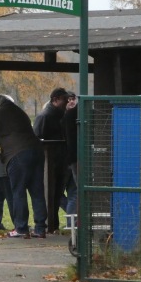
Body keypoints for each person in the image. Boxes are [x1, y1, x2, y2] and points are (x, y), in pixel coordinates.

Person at [0, 93, 47, 238]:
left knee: (18, 191)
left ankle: (21, 228)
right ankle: (40, 228)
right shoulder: (20, 111)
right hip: (37, 151)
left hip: (17, 155)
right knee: (37, 191)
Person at [33, 87, 70, 230]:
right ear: (55, 100)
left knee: (57, 194)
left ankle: (52, 224)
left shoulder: (61, 115)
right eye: (64, 101)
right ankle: (48, 224)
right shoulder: (45, 116)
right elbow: (37, 138)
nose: (66, 103)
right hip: (51, 162)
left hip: (60, 161)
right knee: (51, 193)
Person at [62, 93, 79, 226]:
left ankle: (72, 223)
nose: (72, 102)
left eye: (74, 99)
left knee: (75, 192)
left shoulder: (68, 115)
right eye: (69, 99)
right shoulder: (70, 115)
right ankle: (72, 222)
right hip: (71, 159)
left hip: (71, 159)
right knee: (75, 192)